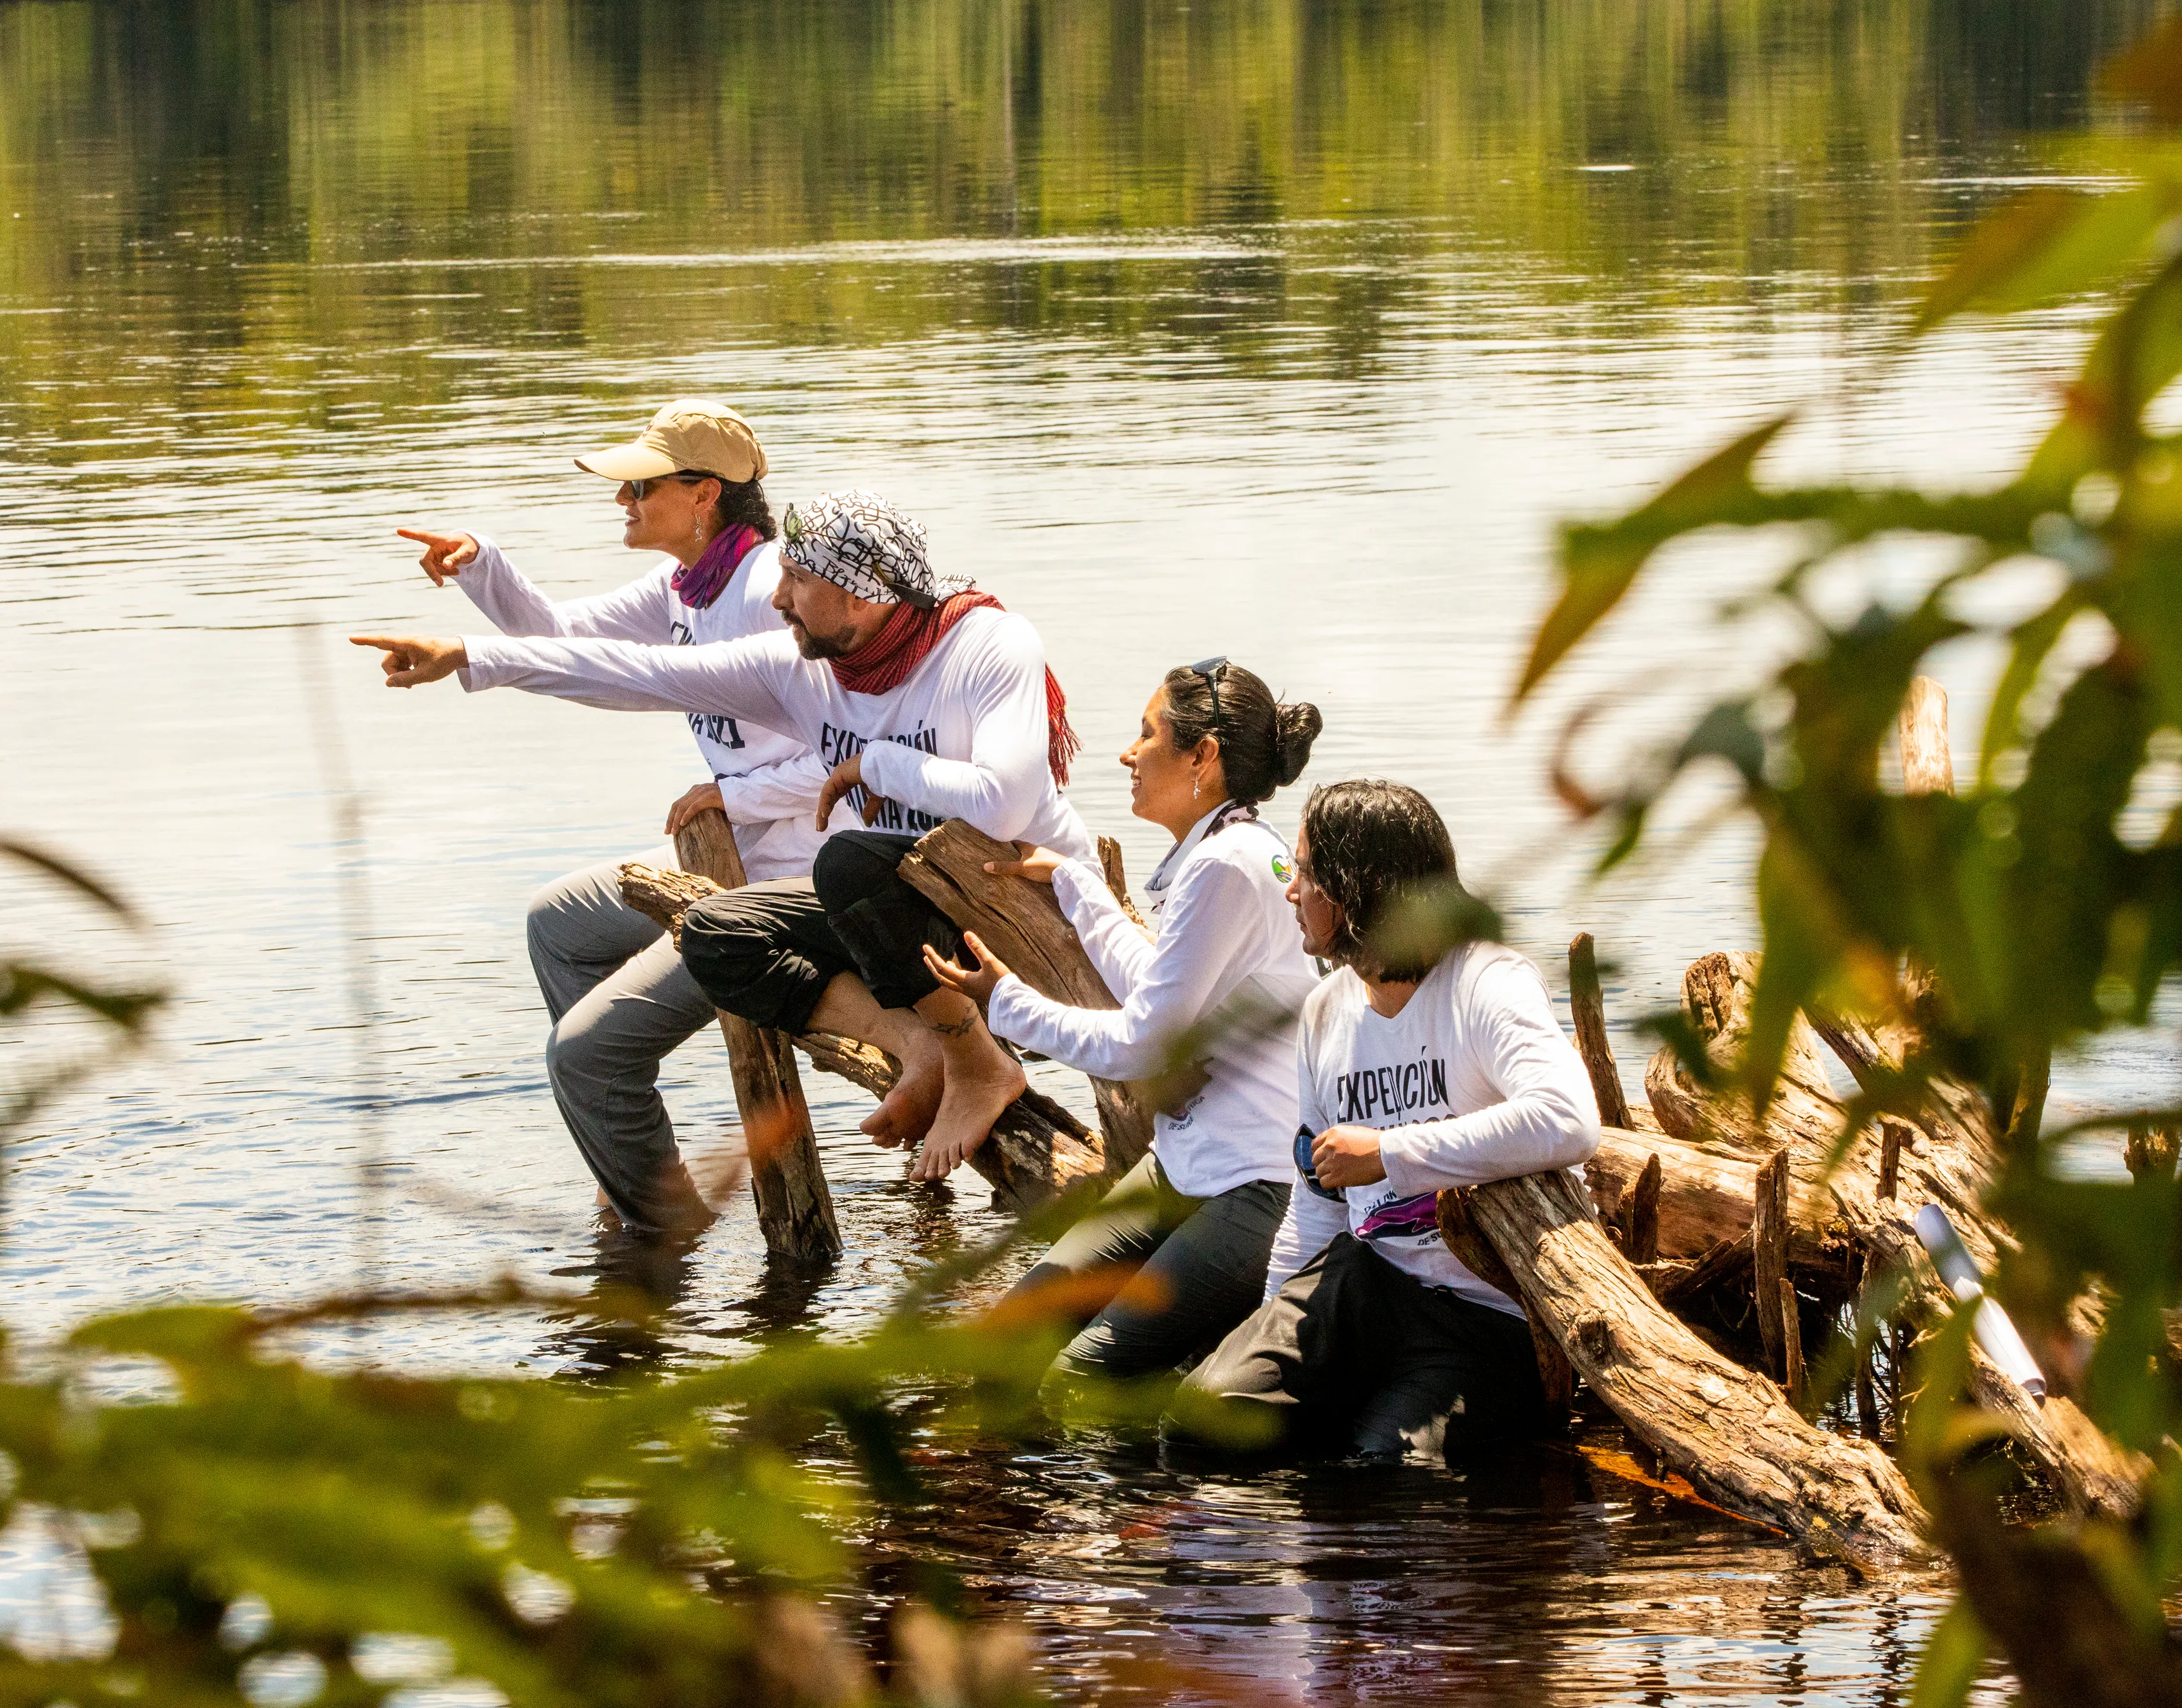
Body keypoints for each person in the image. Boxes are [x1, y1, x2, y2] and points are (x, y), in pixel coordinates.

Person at [354, 491, 1091, 1183]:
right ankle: (931, 1044)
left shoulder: (987, 644)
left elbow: (1003, 802)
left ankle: (974, 1058)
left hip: (1019, 912)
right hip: (902, 910)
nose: (778, 599)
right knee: (715, 931)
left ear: (861, 593)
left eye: (797, 580)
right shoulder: (799, 668)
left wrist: (881, 764)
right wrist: (472, 656)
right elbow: (643, 672)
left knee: (849, 861)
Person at [394, 398, 841, 1239]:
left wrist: (739, 795)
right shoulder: (688, 583)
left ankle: (656, 1233)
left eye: (639, 488)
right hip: (737, 855)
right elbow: (565, 640)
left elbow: (852, 752)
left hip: (801, 878)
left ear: (703, 492)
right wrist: (481, 566)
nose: (622, 504)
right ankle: (637, 1173)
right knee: (557, 922)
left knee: (584, 1055)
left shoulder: (771, 592)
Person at [921, 658, 1323, 1376]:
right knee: (1003, 1344)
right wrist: (1077, 884)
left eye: (1146, 734)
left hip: (1253, 1188)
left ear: (1203, 755)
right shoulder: (1228, 851)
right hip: (1185, 1169)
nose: (1126, 753)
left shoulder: (1228, 865)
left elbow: (1144, 1040)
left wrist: (1005, 1000)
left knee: (1076, 1383)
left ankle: (1154, 1489)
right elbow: (1159, 984)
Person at [1188, 780, 1602, 1464]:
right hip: (1366, 1282)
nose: (1291, 891)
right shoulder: (1326, 1011)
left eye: (1306, 874)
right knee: (1206, 1423)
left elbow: (1567, 1118)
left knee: (1389, 1473)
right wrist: (1264, 1328)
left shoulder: (1484, 981)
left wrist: (1389, 1152)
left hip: (1488, 1313)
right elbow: (1316, 1202)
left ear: (1357, 890)